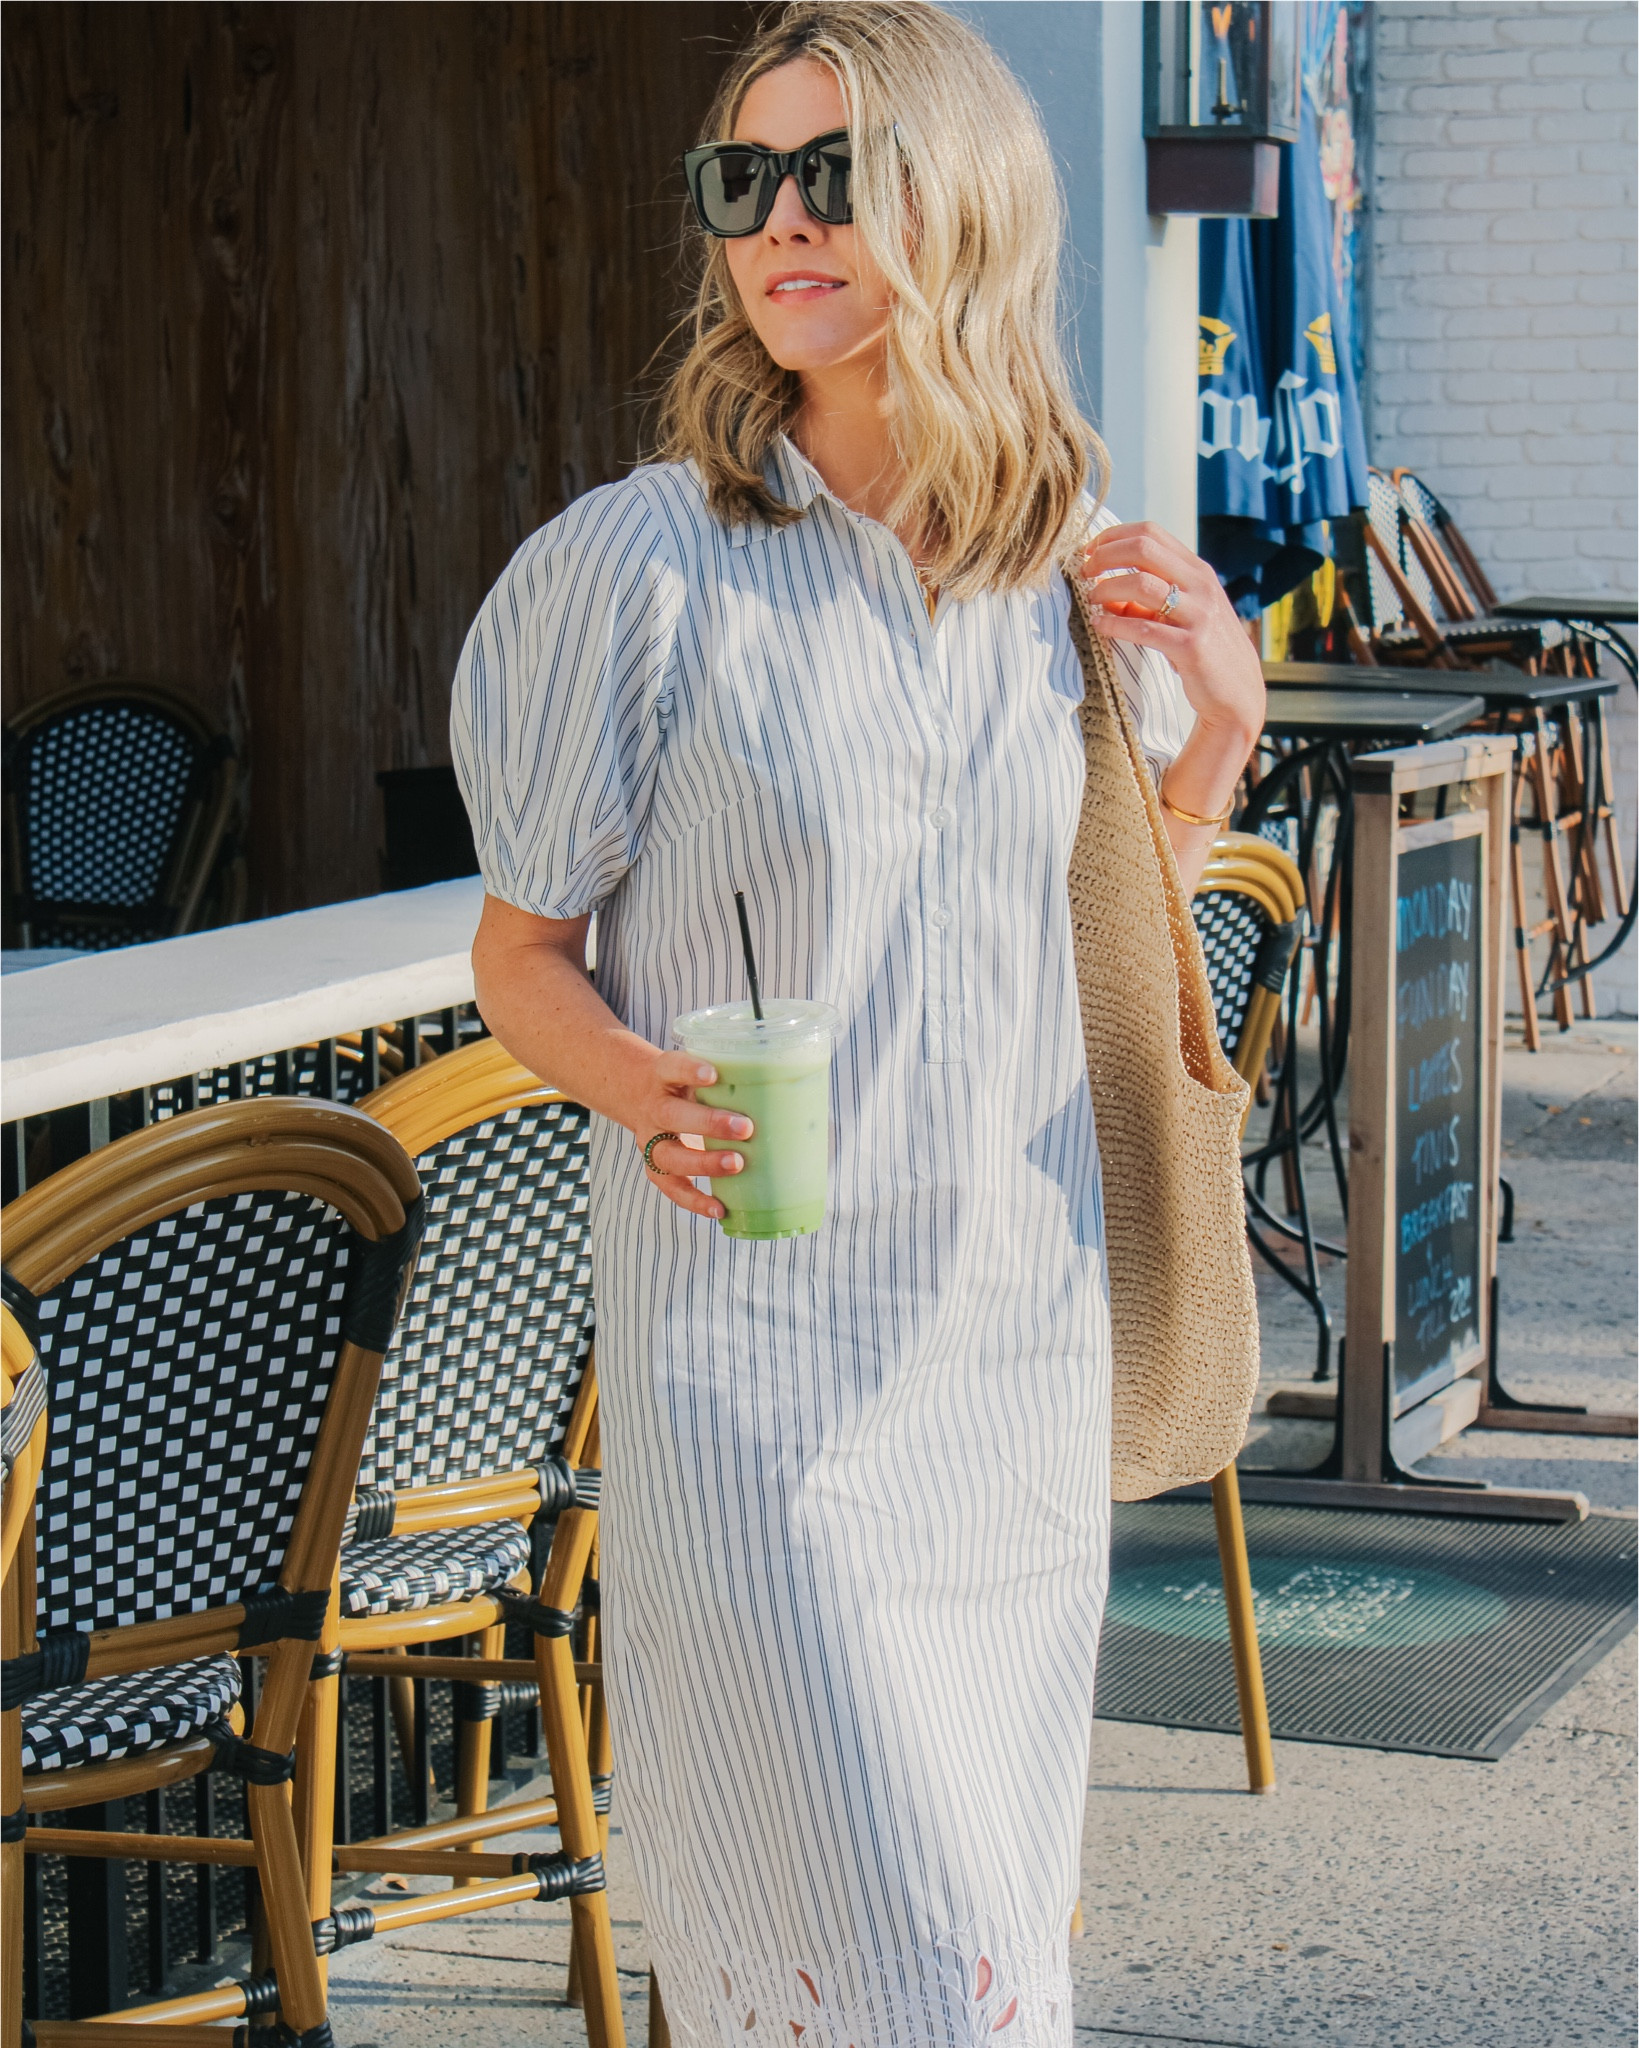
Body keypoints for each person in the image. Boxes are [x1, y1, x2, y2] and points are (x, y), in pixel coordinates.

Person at [451, 5, 1264, 2041]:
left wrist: (1220, 743)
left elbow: (1087, 938)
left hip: (1004, 1363)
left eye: (835, 172)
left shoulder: (1060, 569)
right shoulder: (633, 572)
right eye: (745, 181)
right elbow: (518, 950)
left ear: (961, 199)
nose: (780, 223)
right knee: (873, 1966)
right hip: (763, 1387)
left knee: (985, 1964)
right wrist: (640, 1082)